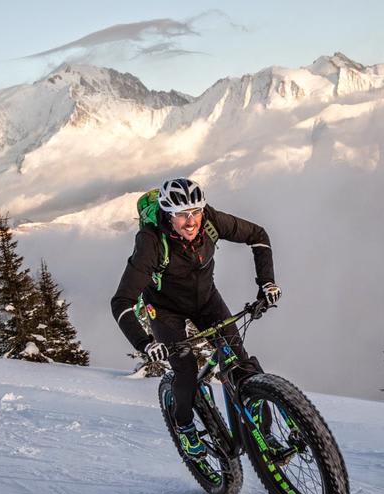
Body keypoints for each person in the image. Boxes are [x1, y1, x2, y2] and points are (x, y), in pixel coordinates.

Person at [111, 178, 281, 459]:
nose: (191, 222)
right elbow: (122, 302)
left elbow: (258, 235)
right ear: (167, 213)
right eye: (181, 214)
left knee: (239, 360)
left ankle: (264, 431)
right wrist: (145, 344)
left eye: (195, 212)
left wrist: (267, 282)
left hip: (206, 300)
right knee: (186, 368)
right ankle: (185, 425)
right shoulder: (151, 243)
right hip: (165, 310)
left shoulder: (210, 220)